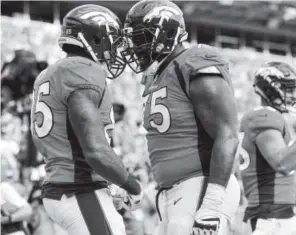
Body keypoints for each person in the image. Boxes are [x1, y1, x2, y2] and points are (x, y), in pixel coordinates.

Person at [121, 0, 240, 234]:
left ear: (166, 34)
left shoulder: (194, 61)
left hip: (199, 188)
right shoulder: (159, 74)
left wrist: (212, 203)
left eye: (141, 38)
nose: (135, 46)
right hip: (172, 195)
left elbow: (227, 134)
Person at [30, 5, 143, 235]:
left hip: (64, 186)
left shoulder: (50, 73)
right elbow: (95, 151)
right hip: (78, 190)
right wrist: (132, 185)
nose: (114, 49)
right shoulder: (82, 70)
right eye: (112, 40)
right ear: (96, 38)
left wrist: (110, 182)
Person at [239, 61, 296, 235]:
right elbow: (282, 163)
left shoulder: (269, 117)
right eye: (290, 89)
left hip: (276, 212)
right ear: (272, 89)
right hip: (273, 216)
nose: (294, 95)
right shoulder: (263, 116)